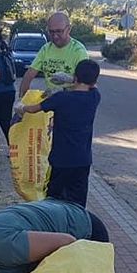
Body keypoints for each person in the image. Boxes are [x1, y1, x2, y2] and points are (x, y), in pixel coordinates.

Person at [15, 59, 101, 207]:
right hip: (83, 160)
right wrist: (71, 80)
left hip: (61, 158)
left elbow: (34, 108)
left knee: (54, 199)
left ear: (76, 76)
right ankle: (77, 226)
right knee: (78, 201)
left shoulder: (61, 99)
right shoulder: (94, 97)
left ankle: (54, 226)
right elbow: (93, 86)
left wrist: (22, 107)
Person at [18, 12, 89, 98]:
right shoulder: (46, 49)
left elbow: (86, 83)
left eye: (59, 31)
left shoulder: (78, 51)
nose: (55, 36)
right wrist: (22, 99)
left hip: (72, 101)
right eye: (51, 32)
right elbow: (29, 75)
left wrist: (69, 81)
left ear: (69, 29)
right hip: (52, 100)